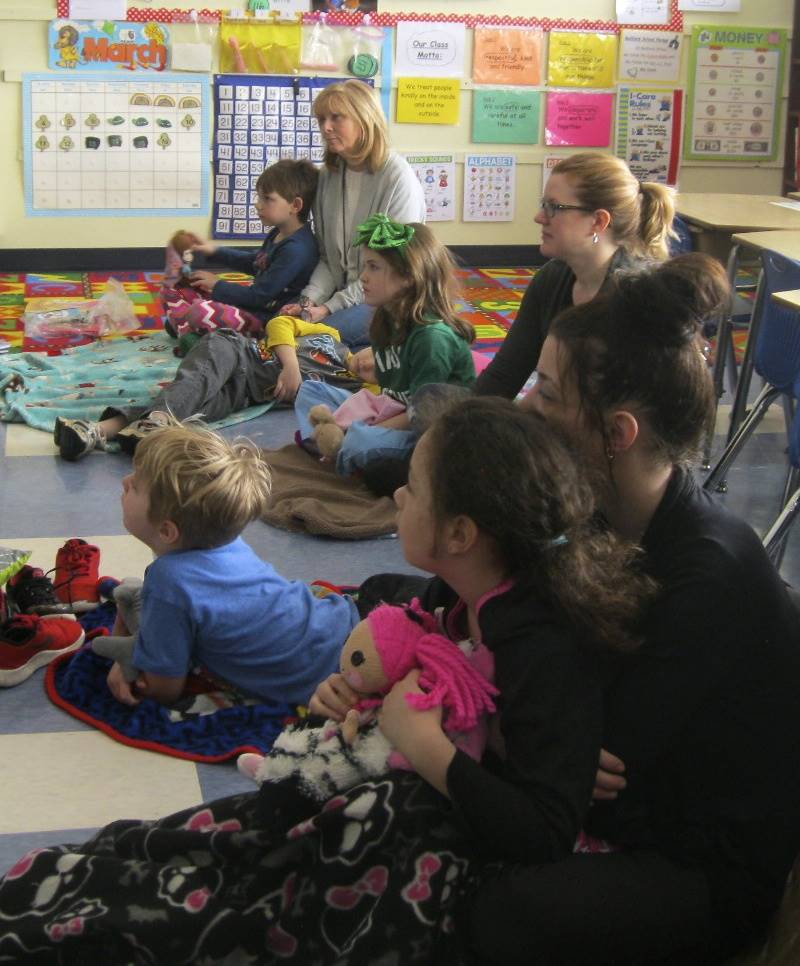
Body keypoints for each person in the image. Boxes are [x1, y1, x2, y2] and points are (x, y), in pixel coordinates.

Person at [0, 398, 655, 963]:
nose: (396, 495)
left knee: (236, 895)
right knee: (163, 847)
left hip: (457, 840)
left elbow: (539, 829)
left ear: (459, 532)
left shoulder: (537, 645)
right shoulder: (455, 597)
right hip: (399, 753)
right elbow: (415, 662)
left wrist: (423, 746)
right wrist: (354, 692)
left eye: (414, 488)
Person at [460, 254, 800, 965]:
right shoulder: (598, 510)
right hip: (635, 805)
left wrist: (507, 723)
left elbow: (592, 776)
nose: (529, 405)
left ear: (616, 434)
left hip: (701, 868)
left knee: (491, 909)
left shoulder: (707, 576)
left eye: (550, 393)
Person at [103, 418, 358, 708]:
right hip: (344, 624)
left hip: (334, 680)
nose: (124, 482)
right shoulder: (226, 541)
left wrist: (127, 664)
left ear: (167, 531)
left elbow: (164, 689)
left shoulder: (168, 583)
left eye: (135, 486)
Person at [475, 152, 676, 400]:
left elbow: (625, 414)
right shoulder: (551, 279)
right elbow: (503, 377)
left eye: (554, 208)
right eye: (543, 205)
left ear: (598, 222)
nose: (539, 217)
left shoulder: (638, 297)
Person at [52, 312, 377, 461]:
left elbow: (367, 413)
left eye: (381, 372)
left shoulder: (350, 389)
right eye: (376, 356)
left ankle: (93, 432)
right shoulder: (330, 337)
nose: (369, 366)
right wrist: (290, 365)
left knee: (189, 403)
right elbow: (280, 323)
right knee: (195, 382)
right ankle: (156, 422)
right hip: (237, 351)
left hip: (246, 394)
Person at [293, 213, 476, 476]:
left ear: (407, 277)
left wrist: (360, 429)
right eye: (365, 267)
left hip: (429, 431)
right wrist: (372, 375)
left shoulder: (431, 338)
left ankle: (338, 447)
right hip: (394, 408)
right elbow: (393, 389)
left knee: (361, 442)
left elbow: (421, 416)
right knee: (311, 392)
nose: (363, 277)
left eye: (373, 267)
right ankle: (334, 447)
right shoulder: (386, 320)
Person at [281, 79, 426, 351]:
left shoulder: (398, 178)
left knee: (306, 342)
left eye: (336, 117)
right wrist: (308, 300)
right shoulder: (328, 176)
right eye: (322, 119)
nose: (325, 127)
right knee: (285, 326)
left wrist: (328, 308)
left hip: (391, 300)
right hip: (346, 297)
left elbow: (391, 269)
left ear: (365, 119)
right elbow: (328, 258)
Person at [162, 158, 320, 338]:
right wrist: (213, 250)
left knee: (200, 312)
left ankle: (195, 331)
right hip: (252, 306)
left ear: (295, 205)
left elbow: (260, 296)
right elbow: (254, 262)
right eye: (259, 197)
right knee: (183, 293)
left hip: (266, 319)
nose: (258, 204)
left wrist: (217, 285)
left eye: (267, 199)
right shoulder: (278, 233)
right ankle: (192, 328)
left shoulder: (297, 249)